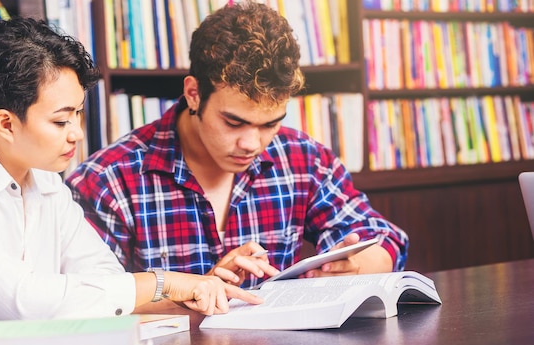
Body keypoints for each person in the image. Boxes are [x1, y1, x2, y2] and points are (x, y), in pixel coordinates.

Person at [0, 17, 262, 341]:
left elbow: (107, 289)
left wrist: (202, 290)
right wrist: (164, 281)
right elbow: (23, 304)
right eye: (61, 121)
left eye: (78, 113)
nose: (77, 133)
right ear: (5, 124)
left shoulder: (47, 185)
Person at [66, 1, 409, 289]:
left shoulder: (304, 159)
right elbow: (88, 299)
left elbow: (381, 235)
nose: (252, 144)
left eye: (270, 124)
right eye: (234, 122)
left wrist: (367, 261)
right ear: (193, 94)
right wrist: (196, 291)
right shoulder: (108, 180)